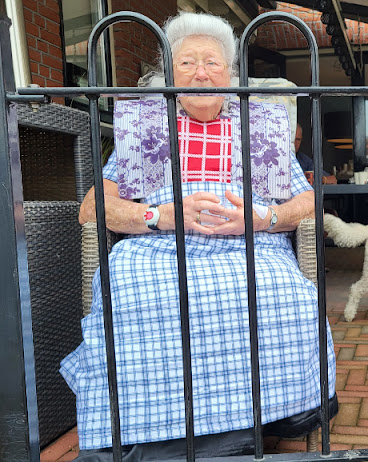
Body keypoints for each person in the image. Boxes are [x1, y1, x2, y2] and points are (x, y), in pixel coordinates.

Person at [60, 11, 337, 459]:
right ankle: (160, 428)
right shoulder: (147, 128)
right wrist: (160, 215)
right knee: (134, 290)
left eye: (212, 62)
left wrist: (261, 218)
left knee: (279, 290)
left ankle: (250, 420)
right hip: (159, 246)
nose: (201, 73)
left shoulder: (259, 126)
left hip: (249, 244)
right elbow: (93, 208)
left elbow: (307, 202)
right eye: (187, 63)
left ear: (230, 74)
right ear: (168, 73)